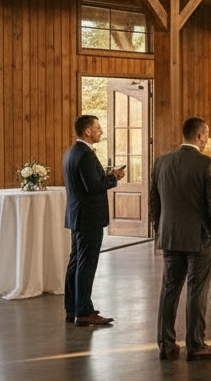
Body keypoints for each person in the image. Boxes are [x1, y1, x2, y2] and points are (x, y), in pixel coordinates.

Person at [151, 117, 211, 361]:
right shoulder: (207, 164)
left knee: (169, 290)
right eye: (207, 134)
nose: (207, 139)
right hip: (200, 238)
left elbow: (154, 202)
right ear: (199, 135)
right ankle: (195, 344)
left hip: (170, 236)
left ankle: (165, 344)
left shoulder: (161, 162)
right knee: (197, 291)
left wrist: (160, 229)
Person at [63, 115, 124, 326]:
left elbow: (87, 182)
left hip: (77, 215)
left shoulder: (72, 152)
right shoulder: (85, 155)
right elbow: (93, 187)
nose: (101, 131)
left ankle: (72, 308)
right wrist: (112, 178)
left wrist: (107, 175)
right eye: (98, 128)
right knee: (86, 265)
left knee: (76, 262)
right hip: (89, 217)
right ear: (87, 131)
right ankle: (84, 312)